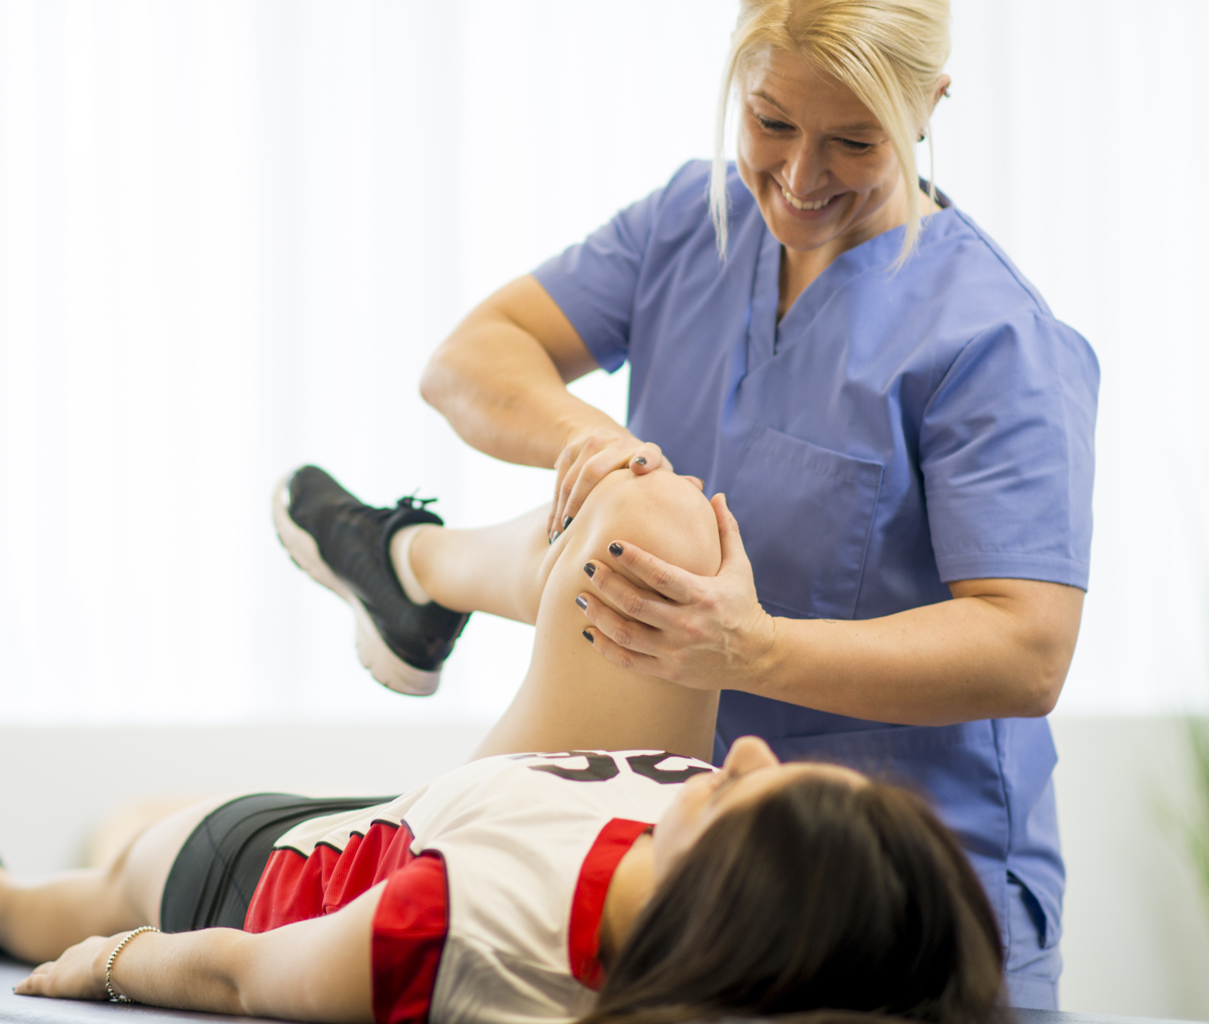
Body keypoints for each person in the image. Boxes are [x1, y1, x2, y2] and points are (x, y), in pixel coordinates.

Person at [409, 0, 1098, 1007]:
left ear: (927, 108)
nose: (801, 177)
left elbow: (1026, 649)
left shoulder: (993, 336)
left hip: (918, 890)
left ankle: (416, 564)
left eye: (854, 140)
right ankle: (417, 565)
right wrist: (603, 453)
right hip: (708, 881)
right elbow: (468, 361)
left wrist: (751, 650)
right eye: (771, 122)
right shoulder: (692, 221)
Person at [0, 466, 1009, 1024]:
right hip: (452, 814)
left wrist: (110, 963)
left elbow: (237, 974)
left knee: (95, 884)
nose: (748, 757)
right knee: (655, 519)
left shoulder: (466, 931)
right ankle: (410, 573)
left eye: (744, 802)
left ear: (720, 909)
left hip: (262, 869)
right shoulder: (699, 876)